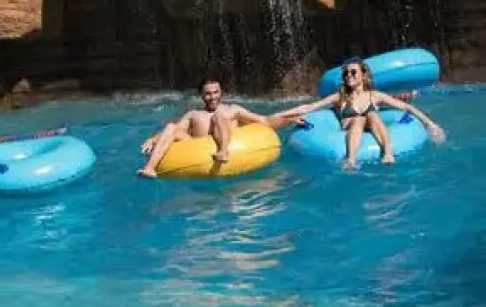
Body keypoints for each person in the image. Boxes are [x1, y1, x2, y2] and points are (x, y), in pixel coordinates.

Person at [269, 58, 446, 168]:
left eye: (353, 72)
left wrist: (429, 123)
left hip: (372, 123)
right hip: (350, 128)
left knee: (371, 115)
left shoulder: (375, 96)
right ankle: (351, 159)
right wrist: (279, 115)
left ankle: (388, 153)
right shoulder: (340, 96)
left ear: (363, 75)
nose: (349, 76)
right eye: (346, 73)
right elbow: (309, 107)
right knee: (359, 120)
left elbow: (406, 108)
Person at [138, 77, 274, 177]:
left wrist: (291, 117)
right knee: (170, 125)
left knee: (219, 116)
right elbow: (175, 129)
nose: (212, 97)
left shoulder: (232, 110)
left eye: (216, 92)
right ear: (202, 95)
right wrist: (153, 139)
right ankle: (149, 168)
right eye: (208, 94)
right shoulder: (194, 114)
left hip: (229, 148)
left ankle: (223, 150)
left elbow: (265, 120)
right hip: (197, 152)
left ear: (221, 93)